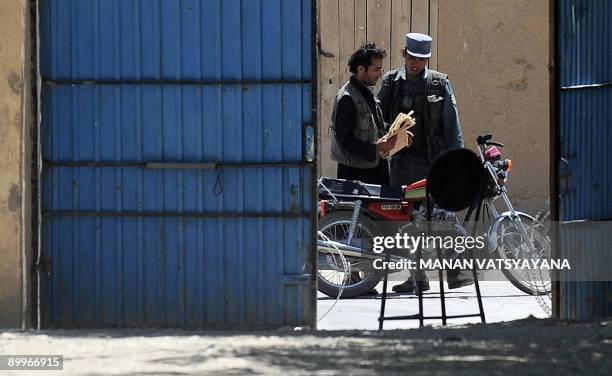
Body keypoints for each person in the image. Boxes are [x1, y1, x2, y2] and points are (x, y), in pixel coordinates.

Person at [377, 33, 473, 293]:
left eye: (421, 59)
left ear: (427, 59)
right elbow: (378, 118)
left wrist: (457, 162)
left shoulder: (440, 84)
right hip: (402, 163)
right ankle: (417, 277)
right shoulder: (390, 83)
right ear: (403, 53)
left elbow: (452, 127)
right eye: (411, 57)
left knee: (442, 217)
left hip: (433, 163)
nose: (415, 63)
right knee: (408, 222)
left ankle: (457, 273)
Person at [330, 42, 397, 186]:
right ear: (361, 69)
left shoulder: (367, 93)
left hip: (376, 172)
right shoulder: (347, 98)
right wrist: (377, 147)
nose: (380, 74)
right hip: (356, 177)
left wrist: (397, 132)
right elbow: (346, 140)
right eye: (376, 69)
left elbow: (376, 126)